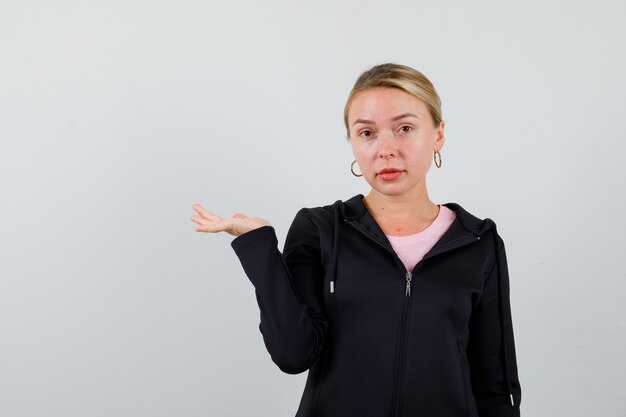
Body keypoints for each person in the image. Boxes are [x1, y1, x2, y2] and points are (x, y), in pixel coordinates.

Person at [190, 63, 522, 417]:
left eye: (405, 128)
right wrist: (259, 248)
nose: (385, 149)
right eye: (367, 133)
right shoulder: (319, 230)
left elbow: (495, 385)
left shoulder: (477, 240)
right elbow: (293, 353)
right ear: (352, 142)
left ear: (438, 134)